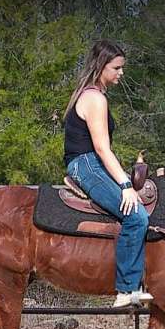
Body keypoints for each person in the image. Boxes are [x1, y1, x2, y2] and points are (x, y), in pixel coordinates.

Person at [63, 40, 153, 308]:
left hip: (90, 163)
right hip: (87, 164)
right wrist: (126, 184)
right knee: (136, 217)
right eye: (117, 68)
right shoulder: (95, 98)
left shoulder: (90, 95)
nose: (121, 73)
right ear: (102, 66)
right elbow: (102, 149)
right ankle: (126, 290)